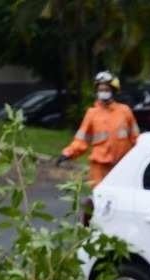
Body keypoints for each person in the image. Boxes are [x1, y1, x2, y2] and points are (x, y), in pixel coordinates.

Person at [57, 70, 140, 220]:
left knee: (122, 201)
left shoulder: (125, 111)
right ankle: (94, 227)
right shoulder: (92, 114)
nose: (103, 92)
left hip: (122, 165)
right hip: (99, 167)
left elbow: (136, 138)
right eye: (101, 89)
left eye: (106, 89)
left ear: (113, 91)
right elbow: (81, 139)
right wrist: (68, 152)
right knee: (99, 200)